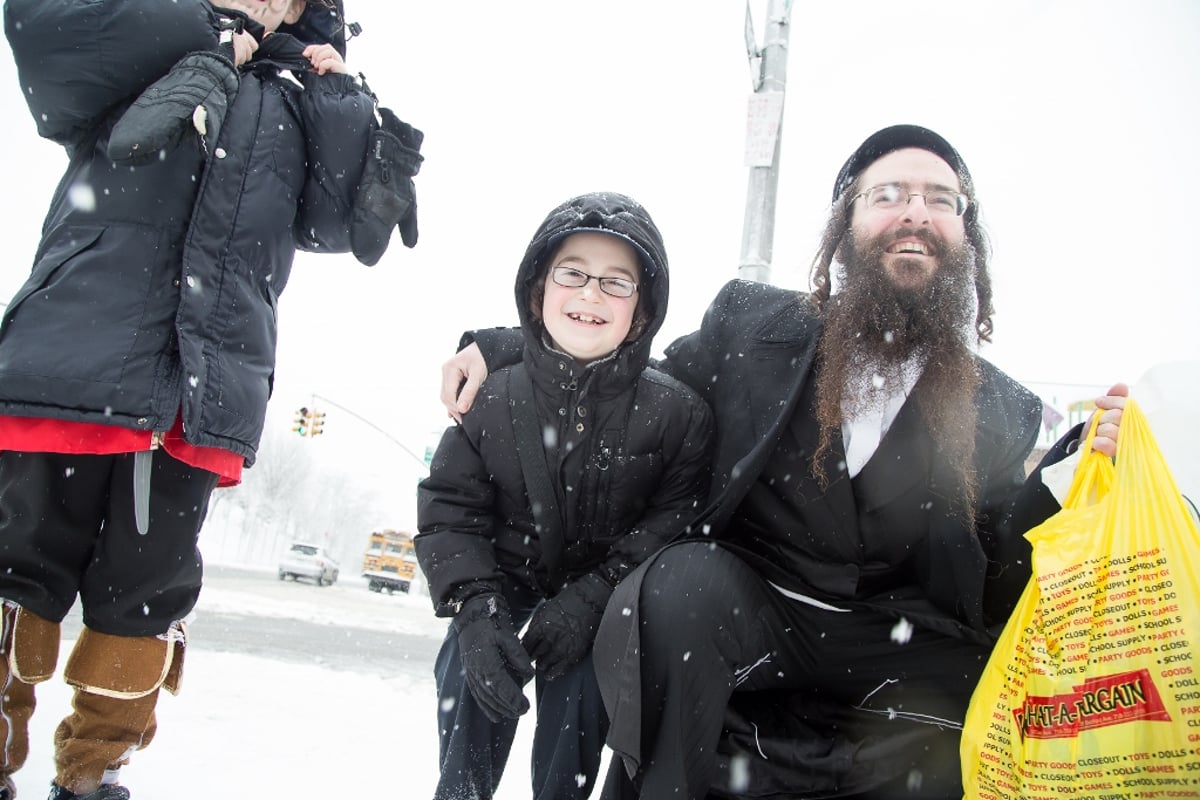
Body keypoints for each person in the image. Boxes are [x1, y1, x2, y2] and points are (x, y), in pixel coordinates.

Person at [438, 125, 1127, 799]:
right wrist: (511, 345)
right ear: (845, 224)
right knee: (676, 585)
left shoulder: (1000, 409)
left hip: (889, 637)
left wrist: (1069, 475)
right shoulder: (755, 327)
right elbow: (633, 371)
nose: (917, 210)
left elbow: (996, 581)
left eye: (941, 199)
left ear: (963, 235)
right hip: (761, 609)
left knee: (1012, 684)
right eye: (889, 193)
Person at [0, 1, 420, 798]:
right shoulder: (144, 32)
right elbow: (45, 37)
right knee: (16, 565)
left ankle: (95, 772)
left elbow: (338, 226)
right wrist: (204, 38)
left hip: (202, 389)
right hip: (71, 362)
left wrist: (336, 97)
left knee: (145, 593)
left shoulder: (297, 95)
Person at [415, 191, 713, 800]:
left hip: (606, 596)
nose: (590, 295)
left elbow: (676, 519)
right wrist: (477, 608)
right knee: (471, 673)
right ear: (537, 290)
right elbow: (451, 512)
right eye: (572, 274)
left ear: (644, 307)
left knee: (581, 695)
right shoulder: (490, 396)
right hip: (506, 579)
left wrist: (593, 597)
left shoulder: (677, 413)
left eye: (616, 282)